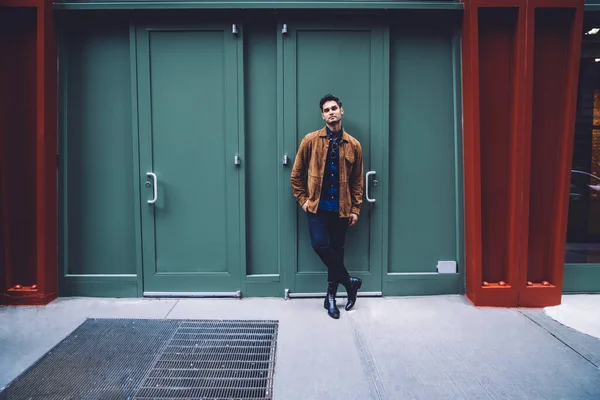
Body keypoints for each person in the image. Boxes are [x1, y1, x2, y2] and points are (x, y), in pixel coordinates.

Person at [290, 94, 364, 319]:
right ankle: (350, 282)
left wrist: (355, 209)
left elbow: (357, 182)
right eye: (326, 110)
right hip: (317, 209)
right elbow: (296, 176)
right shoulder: (310, 141)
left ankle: (330, 298)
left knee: (337, 251)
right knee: (320, 245)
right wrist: (303, 201)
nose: (331, 112)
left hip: (342, 210)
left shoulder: (354, 145)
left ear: (341, 111)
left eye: (334, 108)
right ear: (322, 115)